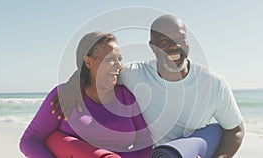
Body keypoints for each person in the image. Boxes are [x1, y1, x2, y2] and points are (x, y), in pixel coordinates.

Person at [51, 15, 245, 158]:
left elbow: (235, 129)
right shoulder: (135, 74)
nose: (173, 46)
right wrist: (72, 84)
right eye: (163, 41)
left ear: (187, 41)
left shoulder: (213, 83)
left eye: (179, 39)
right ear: (152, 46)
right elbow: (100, 73)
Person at [19, 31, 152, 158]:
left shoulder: (126, 97)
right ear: (88, 62)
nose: (119, 65)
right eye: (111, 59)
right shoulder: (65, 95)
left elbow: (144, 143)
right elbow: (30, 140)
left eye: (120, 59)